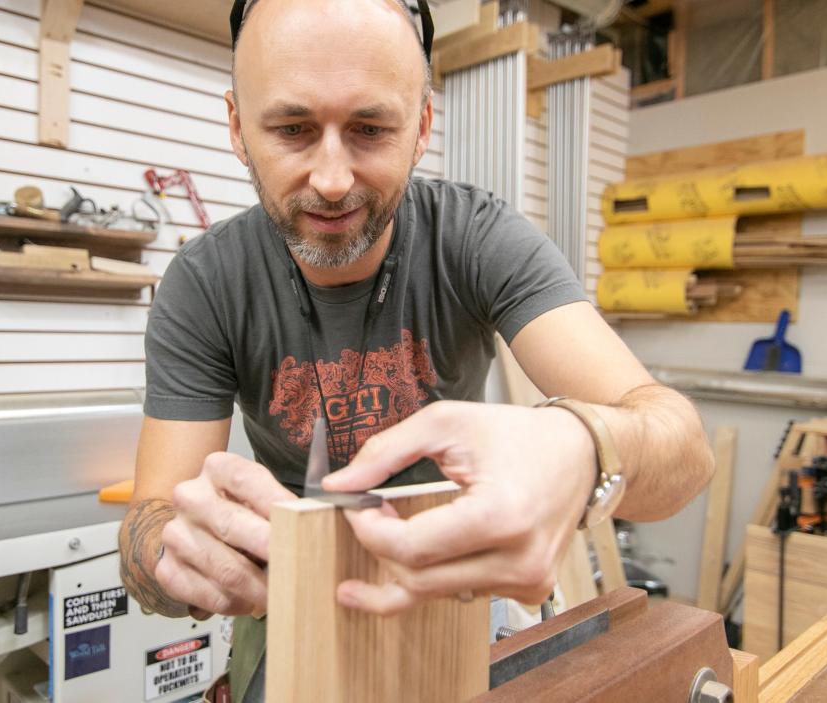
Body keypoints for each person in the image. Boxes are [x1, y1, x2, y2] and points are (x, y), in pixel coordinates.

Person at [119, 0, 715, 698]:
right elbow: (150, 520)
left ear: (423, 126)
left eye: (370, 128)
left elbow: (684, 450)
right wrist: (174, 552)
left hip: (462, 597)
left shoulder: (477, 238)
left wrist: (586, 446)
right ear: (237, 128)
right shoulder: (203, 283)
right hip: (289, 600)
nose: (333, 178)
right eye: (292, 129)